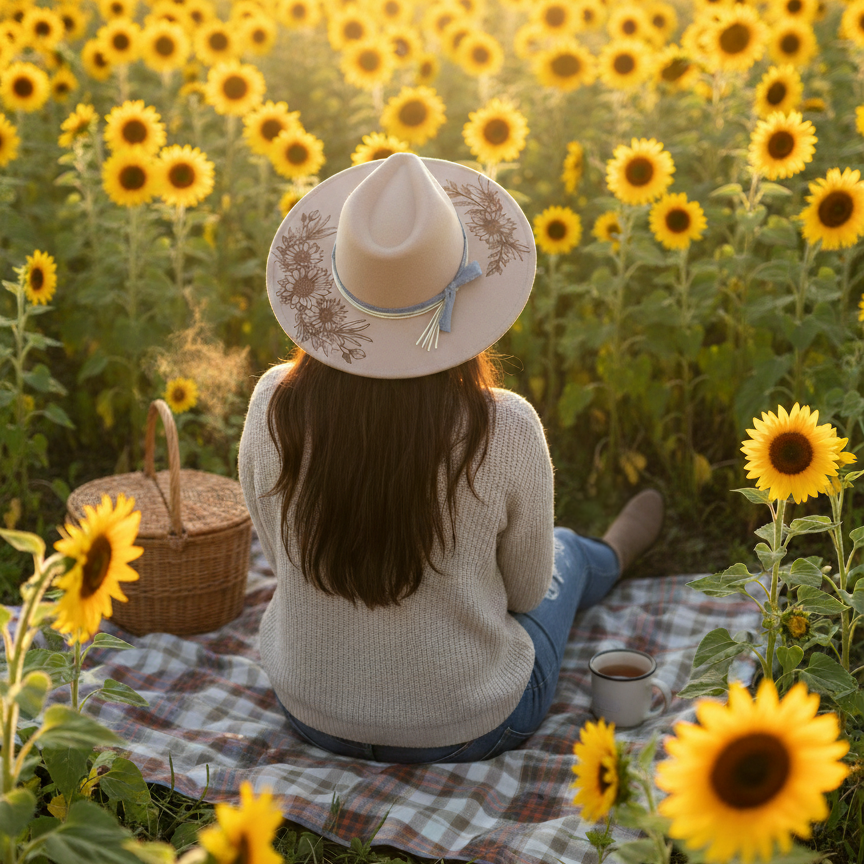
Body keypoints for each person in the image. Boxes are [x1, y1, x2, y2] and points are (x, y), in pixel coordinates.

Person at [238, 152, 664, 764]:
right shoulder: (505, 428)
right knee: (562, 555)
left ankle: (610, 553)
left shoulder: (272, 404)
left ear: (333, 294)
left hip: (310, 710)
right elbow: (524, 591)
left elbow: (278, 551)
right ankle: (613, 555)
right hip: (470, 724)